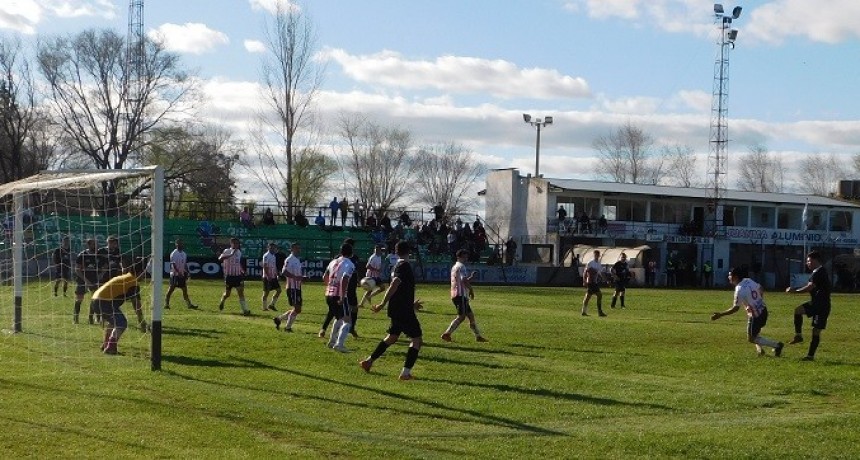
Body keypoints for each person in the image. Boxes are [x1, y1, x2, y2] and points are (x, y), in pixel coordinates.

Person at [360, 241, 424, 380]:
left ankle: (368, 361)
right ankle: (405, 373)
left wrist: (411, 304)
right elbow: (395, 283)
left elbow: (400, 289)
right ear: (409, 252)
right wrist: (382, 304)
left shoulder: (396, 265)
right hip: (403, 310)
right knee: (417, 339)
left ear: (396, 251)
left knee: (392, 337)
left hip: (398, 308)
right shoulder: (404, 265)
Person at [712, 266, 784, 357]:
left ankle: (777, 345)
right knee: (755, 333)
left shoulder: (739, 289)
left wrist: (720, 315)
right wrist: (759, 300)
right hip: (763, 310)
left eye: (730, 275)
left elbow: (735, 308)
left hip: (755, 316)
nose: (728, 277)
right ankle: (760, 351)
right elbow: (761, 288)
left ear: (736, 277)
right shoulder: (748, 280)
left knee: (751, 338)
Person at [90, 258, 149, 355]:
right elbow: (136, 305)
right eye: (144, 273)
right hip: (104, 302)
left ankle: (105, 344)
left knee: (113, 322)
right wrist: (141, 320)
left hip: (95, 300)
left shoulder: (126, 277)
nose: (145, 276)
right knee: (121, 323)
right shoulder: (133, 283)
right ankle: (110, 348)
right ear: (140, 272)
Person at [785, 250, 832, 361]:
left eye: (809, 261)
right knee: (801, 314)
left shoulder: (819, 272)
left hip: (820, 305)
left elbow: (809, 287)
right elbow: (810, 285)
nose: (807, 263)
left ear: (815, 260)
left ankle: (803, 343)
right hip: (820, 304)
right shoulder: (819, 271)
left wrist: (794, 291)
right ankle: (803, 343)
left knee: (801, 314)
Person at [441, 249, 488, 343]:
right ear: (459, 257)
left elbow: (463, 280)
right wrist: (471, 289)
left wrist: (471, 277)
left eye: (466, 256)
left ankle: (478, 336)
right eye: (464, 256)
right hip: (460, 295)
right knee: (461, 316)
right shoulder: (461, 266)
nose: (466, 258)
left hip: (456, 294)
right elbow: (463, 281)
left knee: (471, 316)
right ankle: (447, 333)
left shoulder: (455, 267)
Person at [321, 243, 356, 352]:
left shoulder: (333, 261)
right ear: (351, 253)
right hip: (339, 295)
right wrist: (342, 295)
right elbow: (345, 278)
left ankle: (332, 341)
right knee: (347, 321)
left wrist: (330, 287)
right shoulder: (349, 264)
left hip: (329, 294)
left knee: (338, 318)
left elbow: (324, 276)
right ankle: (339, 345)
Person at [274, 243, 305, 332]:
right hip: (292, 287)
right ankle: (287, 328)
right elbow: (284, 271)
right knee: (297, 309)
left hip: (297, 287)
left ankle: (279, 319)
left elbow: (295, 274)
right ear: (292, 249)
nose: (299, 250)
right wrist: (295, 277)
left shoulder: (297, 259)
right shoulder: (290, 259)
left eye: (299, 248)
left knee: (297, 309)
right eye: (297, 248)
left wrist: (301, 278)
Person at [74, 238, 103, 324]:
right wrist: (86, 281)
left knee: (95, 299)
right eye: (94, 244)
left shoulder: (98, 255)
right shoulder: (82, 255)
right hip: (82, 280)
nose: (96, 246)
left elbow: (102, 267)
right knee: (79, 299)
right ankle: (75, 318)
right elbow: (77, 270)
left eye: (96, 244)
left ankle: (91, 318)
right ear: (89, 245)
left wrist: (100, 275)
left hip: (94, 280)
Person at [218, 238, 250, 316]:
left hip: (238, 276)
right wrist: (231, 254)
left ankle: (245, 310)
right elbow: (220, 258)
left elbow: (238, 263)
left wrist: (242, 270)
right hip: (229, 276)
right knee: (227, 294)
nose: (236, 245)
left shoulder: (239, 252)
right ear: (231, 243)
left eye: (237, 244)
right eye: (234, 243)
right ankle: (222, 301)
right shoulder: (226, 251)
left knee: (241, 292)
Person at [164, 239, 198, 309]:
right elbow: (173, 265)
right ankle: (166, 304)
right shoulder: (173, 253)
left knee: (184, 290)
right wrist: (178, 272)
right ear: (176, 245)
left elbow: (185, 264)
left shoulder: (184, 254)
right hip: (174, 275)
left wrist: (188, 272)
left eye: (182, 244)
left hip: (181, 275)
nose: (181, 245)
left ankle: (189, 305)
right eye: (179, 244)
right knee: (171, 289)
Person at [582, 250, 606, 317]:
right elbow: (585, 272)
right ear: (594, 255)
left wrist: (604, 278)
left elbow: (600, 272)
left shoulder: (598, 263)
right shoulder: (590, 263)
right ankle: (599, 312)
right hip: (590, 282)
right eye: (596, 255)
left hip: (594, 282)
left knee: (588, 297)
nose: (597, 256)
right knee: (599, 295)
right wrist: (584, 281)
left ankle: (583, 311)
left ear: (599, 255)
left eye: (598, 255)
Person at [260, 242, 281, 312]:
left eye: (274, 248)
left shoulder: (273, 256)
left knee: (279, 290)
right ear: (268, 248)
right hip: (267, 277)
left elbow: (274, 266)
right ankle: (264, 307)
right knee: (266, 293)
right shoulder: (266, 256)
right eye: (271, 247)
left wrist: (277, 274)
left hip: (273, 276)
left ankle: (272, 305)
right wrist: (268, 276)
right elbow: (265, 266)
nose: (272, 249)